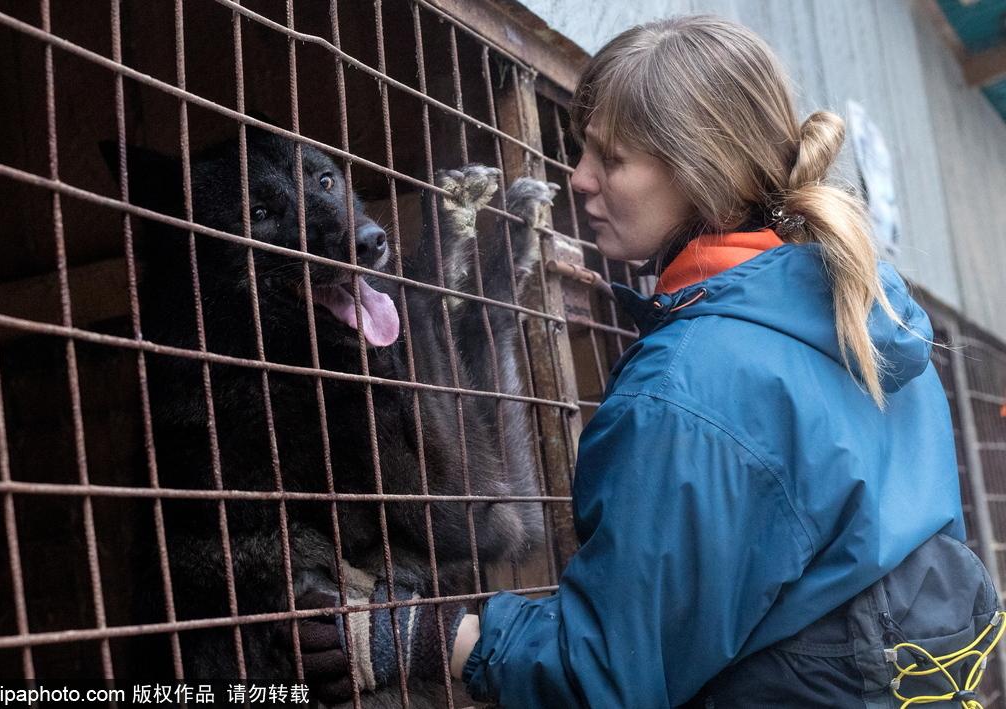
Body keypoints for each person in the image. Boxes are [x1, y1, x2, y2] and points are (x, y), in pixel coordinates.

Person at [298, 15, 1001, 708]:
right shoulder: (864, 316)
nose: (578, 179)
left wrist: (420, 635)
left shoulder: (686, 388)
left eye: (611, 158)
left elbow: (609, 679)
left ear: (698, 165)